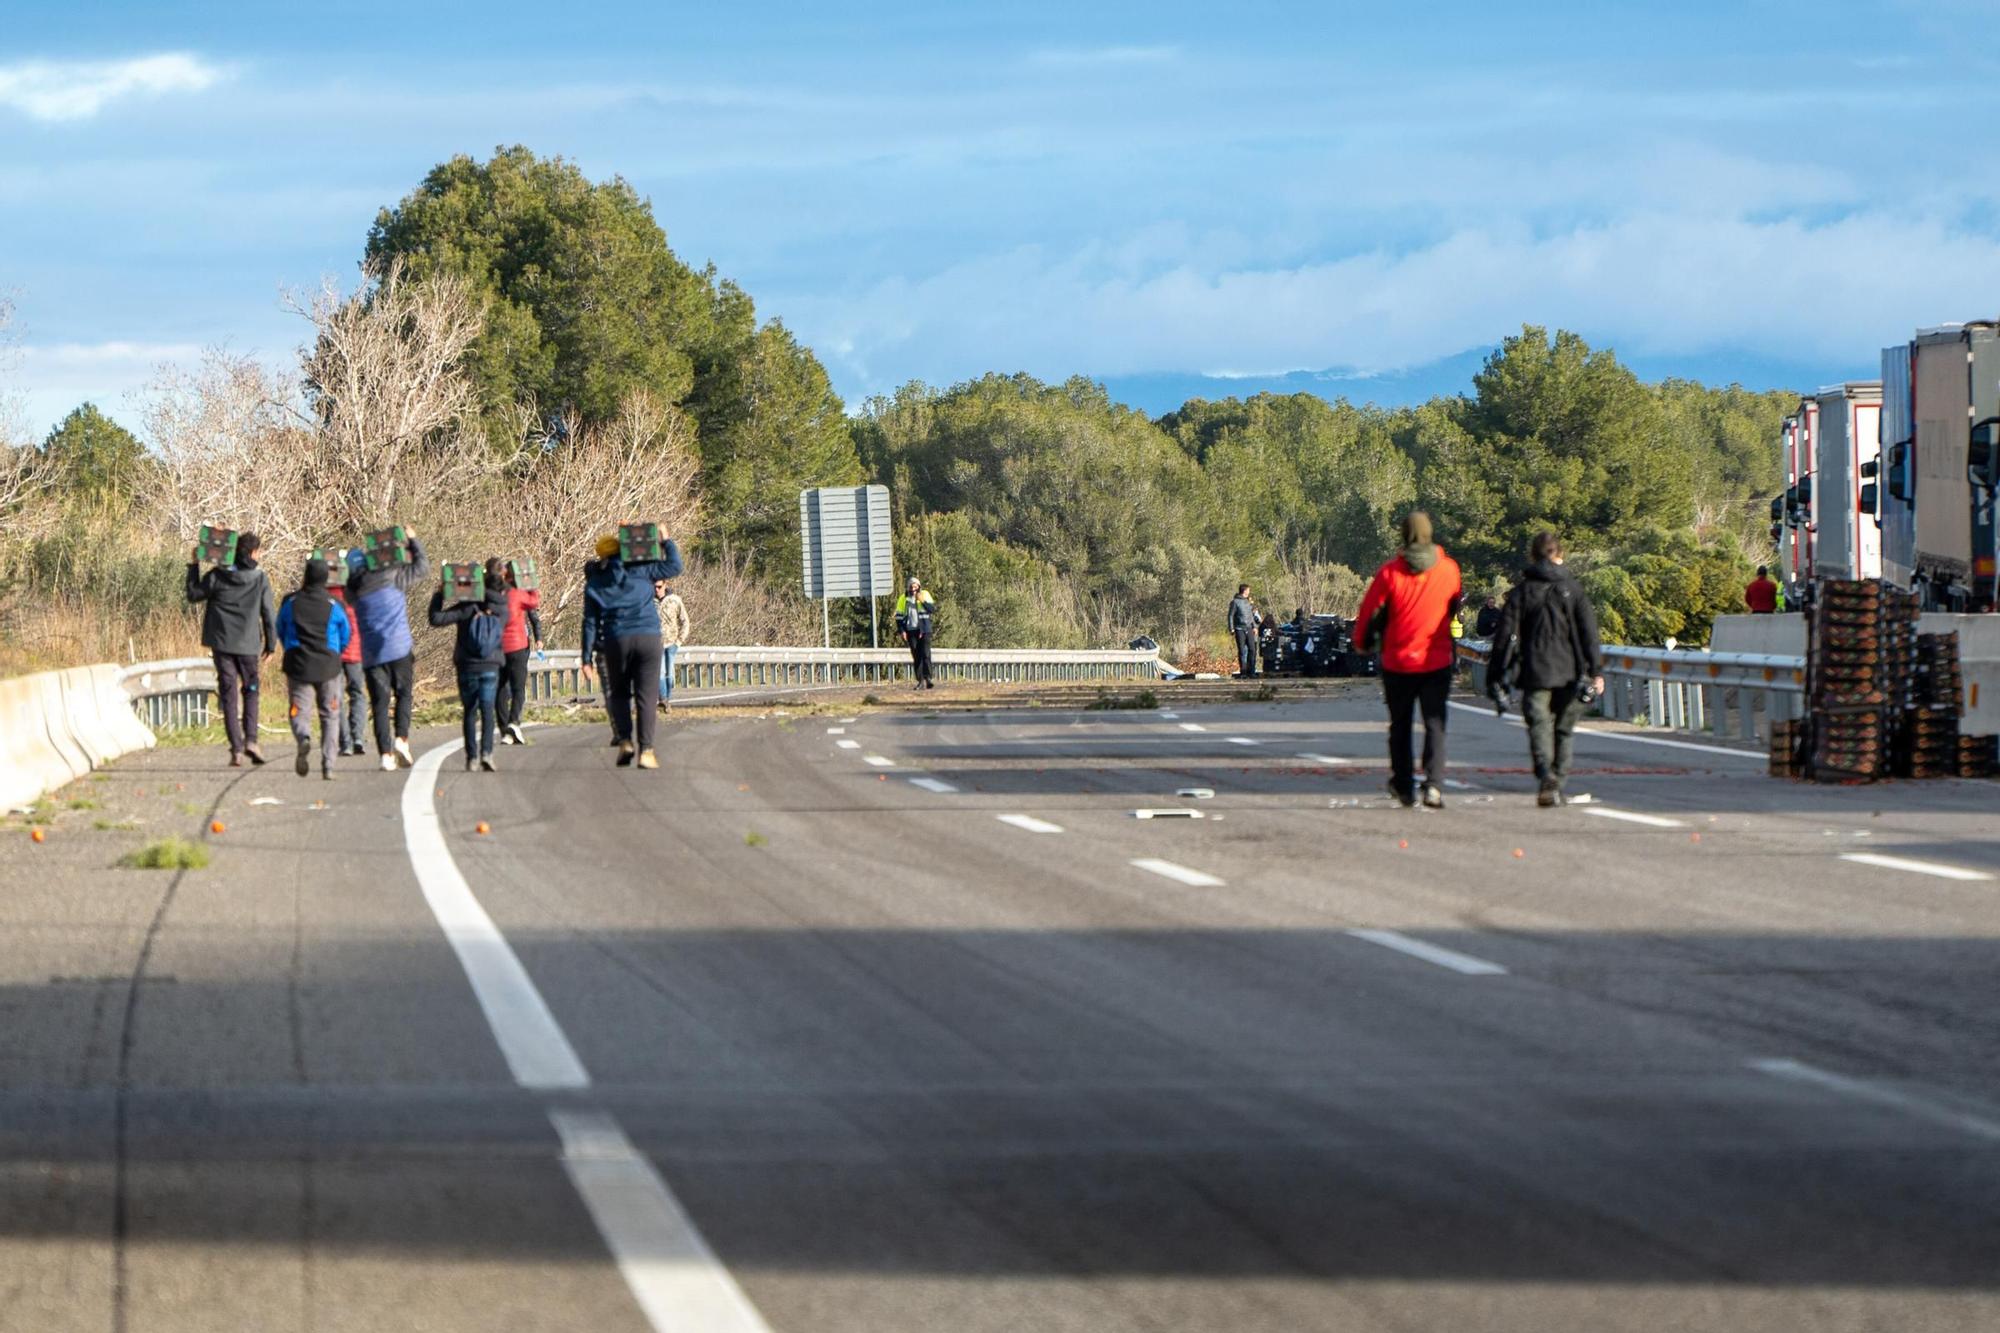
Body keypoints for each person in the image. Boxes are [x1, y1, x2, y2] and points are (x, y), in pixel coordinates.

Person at [1354, 511, 1463, 809]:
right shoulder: (1449, 570)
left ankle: (1404, 785)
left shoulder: (1390, 573)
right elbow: (1454, 605)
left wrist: (1362, 643)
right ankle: (1434, 785)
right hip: (1436, 658)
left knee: (1400, 725)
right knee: (1435, 723)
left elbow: (1370, 612)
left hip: (1399, 661)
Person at [1487, 531, 1605, 808]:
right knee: (1564, 729)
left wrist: (1496, 676)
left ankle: (1546, 776)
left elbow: (1504, 638)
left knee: (1539, 725)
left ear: (1533, 555)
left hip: (1534, 671)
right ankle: (1558, 781)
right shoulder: (1573, 590)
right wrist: (1596, 670)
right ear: (1559, 554)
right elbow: (1590, 634)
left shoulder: (1522, 593)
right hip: (1570, 671)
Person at [580, 533, 685, 769]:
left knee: (619, 693)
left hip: (616, 640)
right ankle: (646, 751)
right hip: (649, 638)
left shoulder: (595, 583)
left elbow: (589, 623)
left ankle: (625, 740)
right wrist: (665, 540)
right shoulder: (642, 570)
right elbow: (675, 566)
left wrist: (586, 657)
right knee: (646, 697)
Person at [185, 531, 278, 767]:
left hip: (222, 643)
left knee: (228, 693)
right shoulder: (259, 578)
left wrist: (194, 565)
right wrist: (271, 644)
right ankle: (251, 741)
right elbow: (268, 613)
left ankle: (236, 749)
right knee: (251, 690)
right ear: (255, 552)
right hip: (249, 646)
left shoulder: (217, 575)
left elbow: (194, 594)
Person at [345, 531, 429, 772]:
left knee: (379, 704)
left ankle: (385, 754)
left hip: (372, 655)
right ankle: (401, 739)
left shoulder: (353, 592)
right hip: (400, 648)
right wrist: (412, 540)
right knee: (404, 694)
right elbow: (422, 567)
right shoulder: (394, 576)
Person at [429, 557, 511, 772]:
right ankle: (487, 753)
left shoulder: (467, 607)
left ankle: (471, 757)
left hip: (467, 665)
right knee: (487, 711)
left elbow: (436, 618)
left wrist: (440, 593)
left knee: (470, 712)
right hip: (491, 664)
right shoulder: (503, 610)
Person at [276, 557, 352, 781]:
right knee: (330, 715)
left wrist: (291, 649)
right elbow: (346, 635)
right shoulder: (335, 605)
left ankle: (303, 737)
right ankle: (328, 765)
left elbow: (280, 628)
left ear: (305, 575)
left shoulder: (290, 602)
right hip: (329, 665)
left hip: (298, 664)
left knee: (299, 710)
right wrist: (336, 653)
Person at [494, 563, 543, 747]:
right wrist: (531, 583)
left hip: (497, 648)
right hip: (518, 647)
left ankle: (505, 728)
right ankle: (514, 722)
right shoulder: (518, 595)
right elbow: (534, 602)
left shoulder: (494, 595)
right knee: (518, 688)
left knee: (500, 688)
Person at [328, 558, 367, 757]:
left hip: (334, 651)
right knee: (358, 693)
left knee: (337, 696)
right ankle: (358, 736)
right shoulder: (360, 593)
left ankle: (345, 742)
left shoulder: (328, 594)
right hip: (356, 652)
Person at [654, 579, 690, 713]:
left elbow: (685, 621)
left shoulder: (675, 600)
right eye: (654, 587)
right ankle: (663, 698)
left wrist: (679, 641)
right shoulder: (649, 601)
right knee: (660, 672)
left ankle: (666, 701)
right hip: (655, 644)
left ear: (665, 585)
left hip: (671, 643)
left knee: (669, 673)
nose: (656, 590)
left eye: (659, 587)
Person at [895, 576, 938, 688]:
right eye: (911, 586)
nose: (913, 589)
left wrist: (922, 600)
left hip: (924, 630)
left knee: (925, 654)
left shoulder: (925, 594)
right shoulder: (903, 598)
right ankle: (920, 680)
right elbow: (899, 617)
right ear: (908, 587)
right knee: (916, 656)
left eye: (915, 586)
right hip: (911, 630)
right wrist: (902, 630)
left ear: (919, 587)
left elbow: (932, 609)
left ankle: (928, 678)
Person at [1228, 584, 1259, 678]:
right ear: (1244, 591)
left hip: (1249, 628)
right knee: (1242, 651)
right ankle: (1243, 672)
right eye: (1248, 590)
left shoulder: (1248, 602)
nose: (1249, 592)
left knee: (1252, 649)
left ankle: (1252, 671)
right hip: (1239, 628)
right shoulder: (1235, 602)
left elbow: (1251, 616)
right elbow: (1230, 615)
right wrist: (1231, 628)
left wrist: (1254, 627)